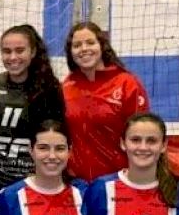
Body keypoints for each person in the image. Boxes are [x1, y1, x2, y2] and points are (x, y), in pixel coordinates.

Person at [62, 21, 149, 183]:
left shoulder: (127, 84)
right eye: (77, 45)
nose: (84, 49)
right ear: (71, 52)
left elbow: (142, 136)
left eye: (90, 42)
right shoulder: (66, 87)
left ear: (102, 46)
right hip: (77, 183)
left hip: (118, 181)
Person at [0, 24, 66, 190]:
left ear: (33, 52)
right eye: (7, 51)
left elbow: (56, 138)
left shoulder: (48, 89)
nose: (13, 57)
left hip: (32, 184)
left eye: (20, 50)